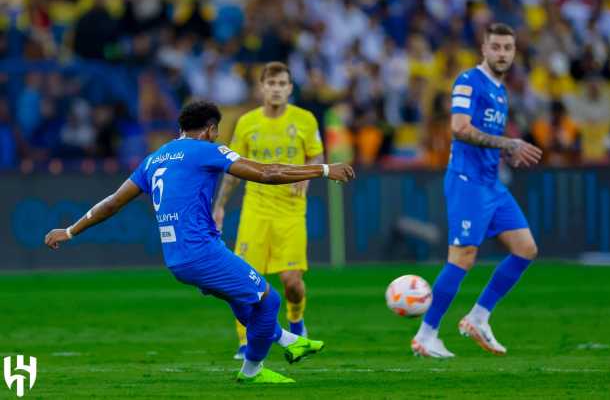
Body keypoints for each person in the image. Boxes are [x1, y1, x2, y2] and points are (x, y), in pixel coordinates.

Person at [44, 100, 356, 383]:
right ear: (209, 129)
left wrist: (70, 231)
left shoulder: (154, 159)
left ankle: (291, 342)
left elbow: (112, 202)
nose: (217, 136)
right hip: (201, 252)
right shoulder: (207, 150)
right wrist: (325, 169)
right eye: (216, 131)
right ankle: (252, 372)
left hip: (178, 257)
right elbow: (267, 172)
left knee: (242, 301)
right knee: (269, 301)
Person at [411, 23, 543, 358]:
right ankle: (426, 334)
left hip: (491, 183)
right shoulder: (469, 81)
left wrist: (504, 150)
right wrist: (507, 142)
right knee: (463, 257)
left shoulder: (501, 91)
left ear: (514, 52)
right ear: (484, 48)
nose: (502, 54)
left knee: (526, 248)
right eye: (496, 47)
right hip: (467, 182)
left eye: (507, 48)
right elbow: (459, 129)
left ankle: (478, 317)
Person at [213, 62, 324, 359]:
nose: (276, 89)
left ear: (290, 88)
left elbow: (317, 155)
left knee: (292, 282)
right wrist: (220, 206)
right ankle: (246, 341)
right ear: (262, 87)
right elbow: (234, 168)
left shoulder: (305, 120)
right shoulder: (247, 123)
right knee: (242, 280)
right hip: (256, 210)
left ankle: (297, 322)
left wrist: (308, 177)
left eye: (282, 84)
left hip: (290, 212)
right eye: (271, 84)